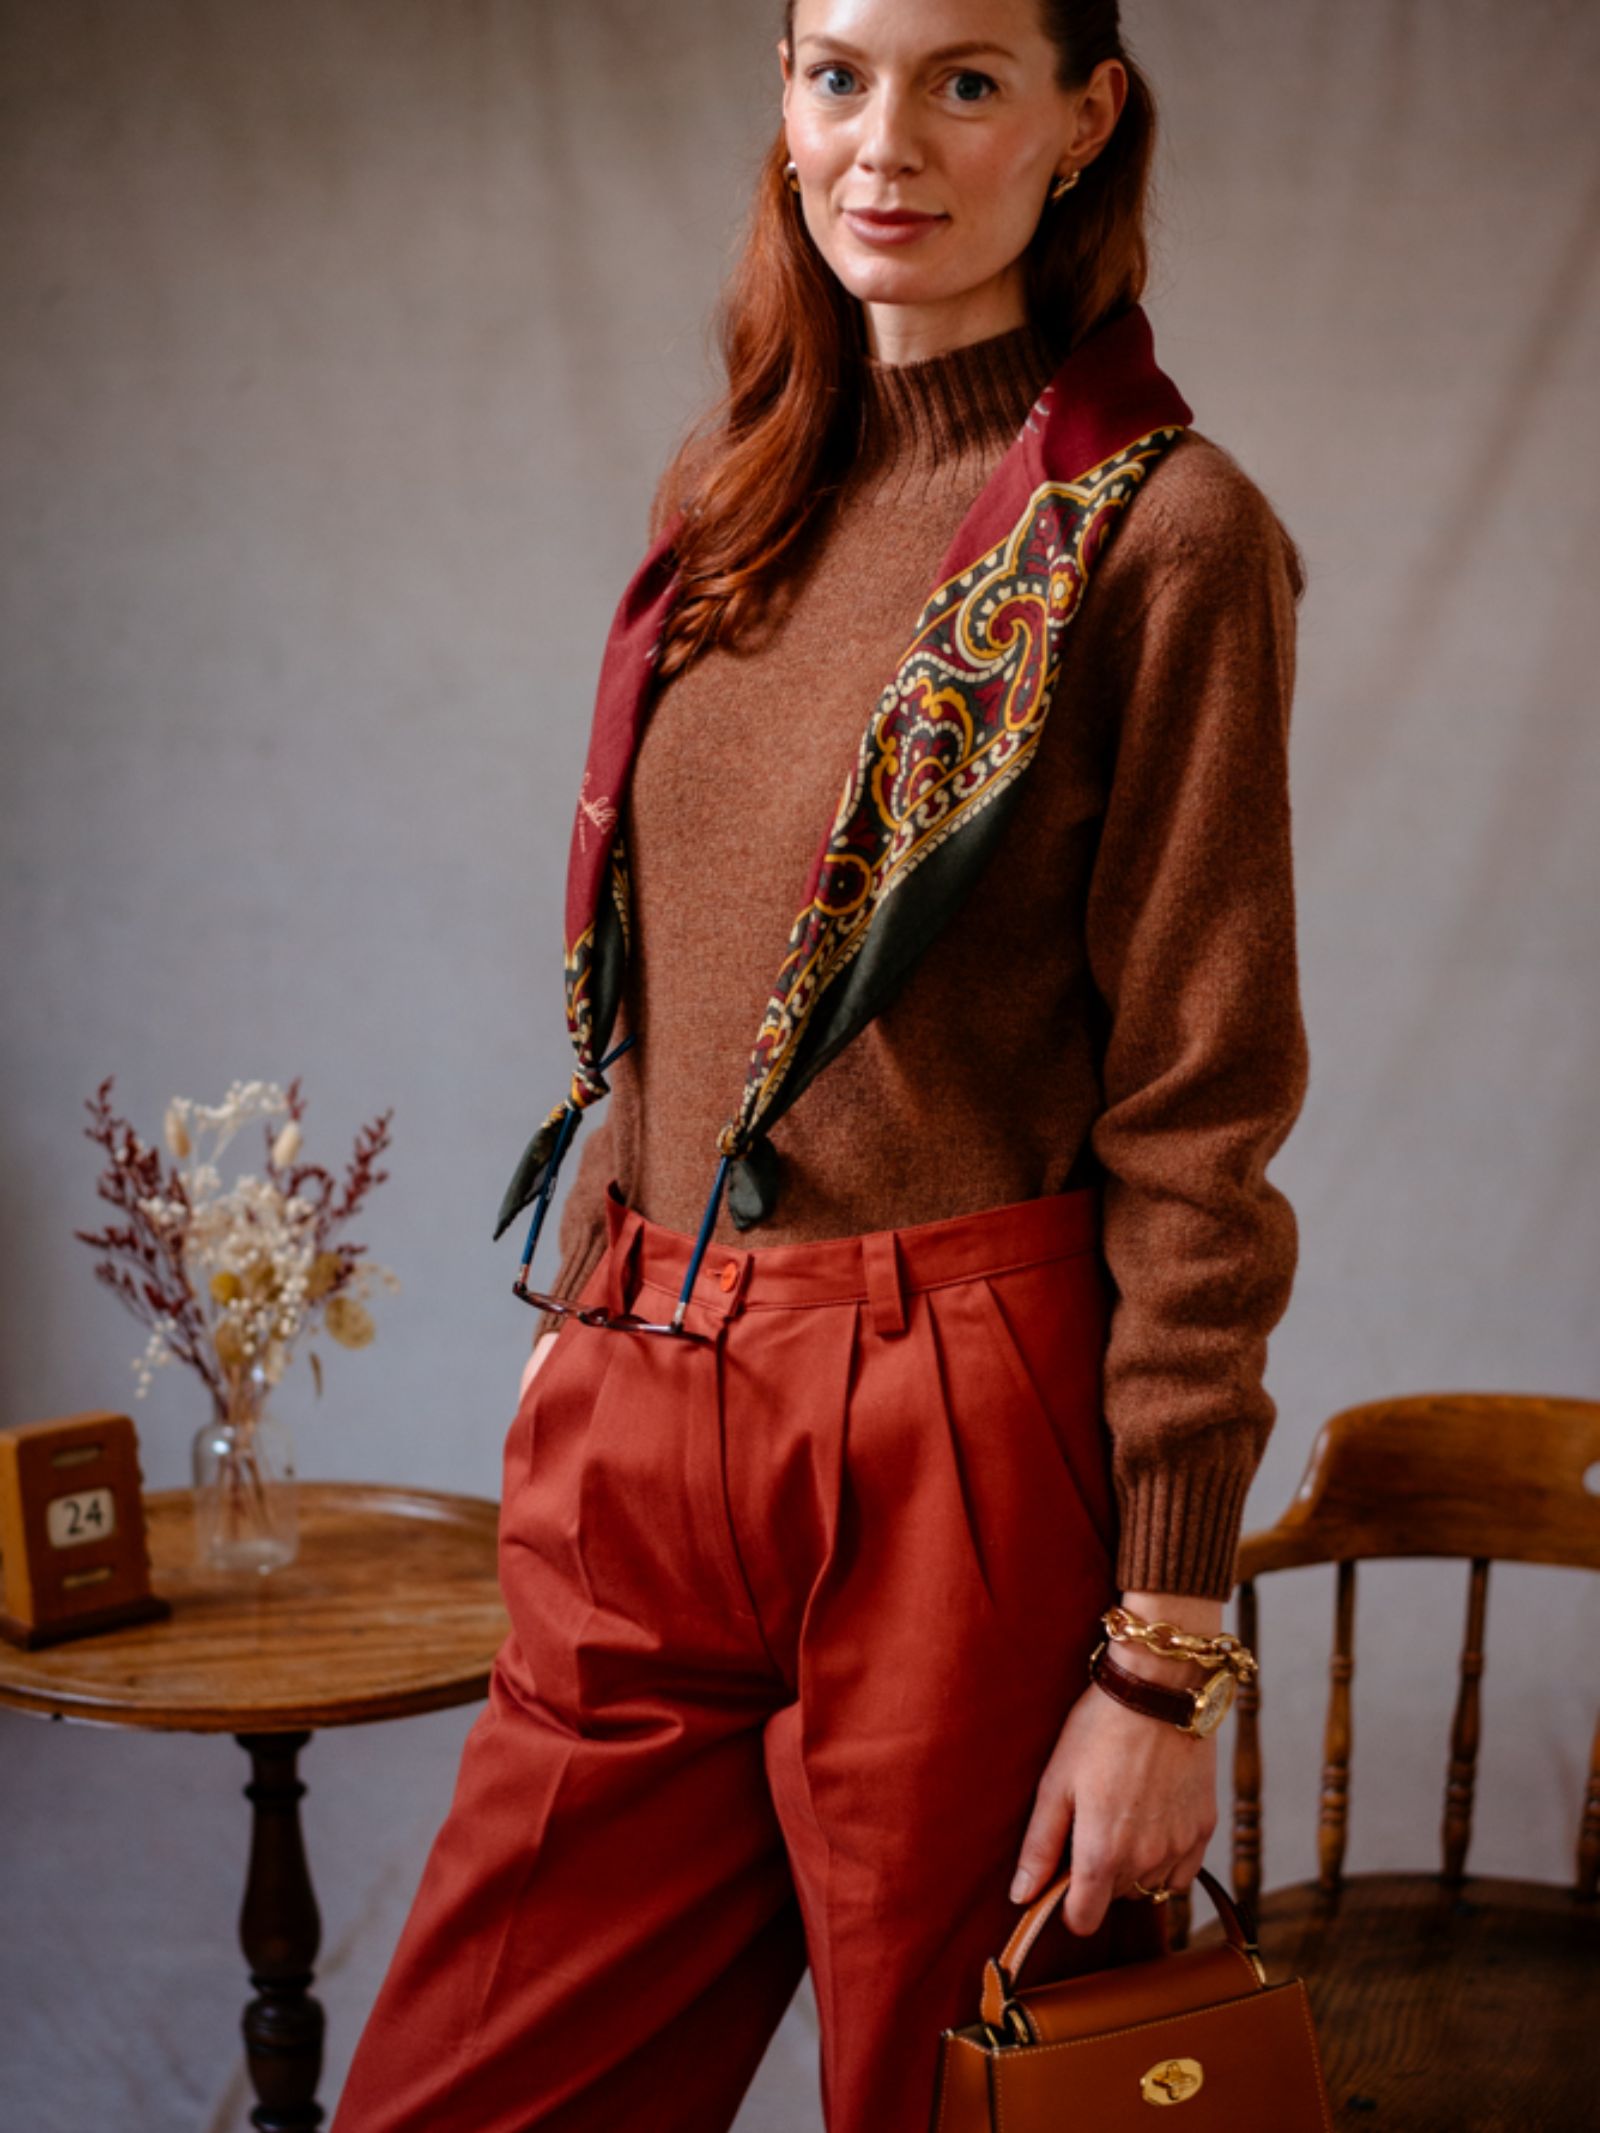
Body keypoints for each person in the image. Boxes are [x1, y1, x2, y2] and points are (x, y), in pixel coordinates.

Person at [331, 2, 1309, 2129]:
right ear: (782, 101)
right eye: (834, 71)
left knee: (939, 2099)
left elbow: (1199, 1114)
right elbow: (693, 969)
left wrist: (1160, 1652)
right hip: (652, 1382)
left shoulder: (1160, 535)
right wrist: (598, 1278)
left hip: (954, 1428)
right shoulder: (740, 488)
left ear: (1081, 118)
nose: (887, 140)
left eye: (965, 78)